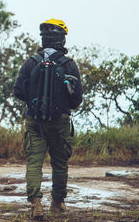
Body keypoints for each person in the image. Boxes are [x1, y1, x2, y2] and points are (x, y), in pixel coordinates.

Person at [13, 19, 83, 220]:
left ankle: (36, 205)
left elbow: (18, 91)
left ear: (43, 39)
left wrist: (33, 102)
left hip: (34, 121)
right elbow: (77, 99)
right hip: (60, 121)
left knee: (34, 163)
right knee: (59, 163)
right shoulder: (69, 64)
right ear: (61, 40)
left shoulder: (31, 62)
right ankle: (57, 204)